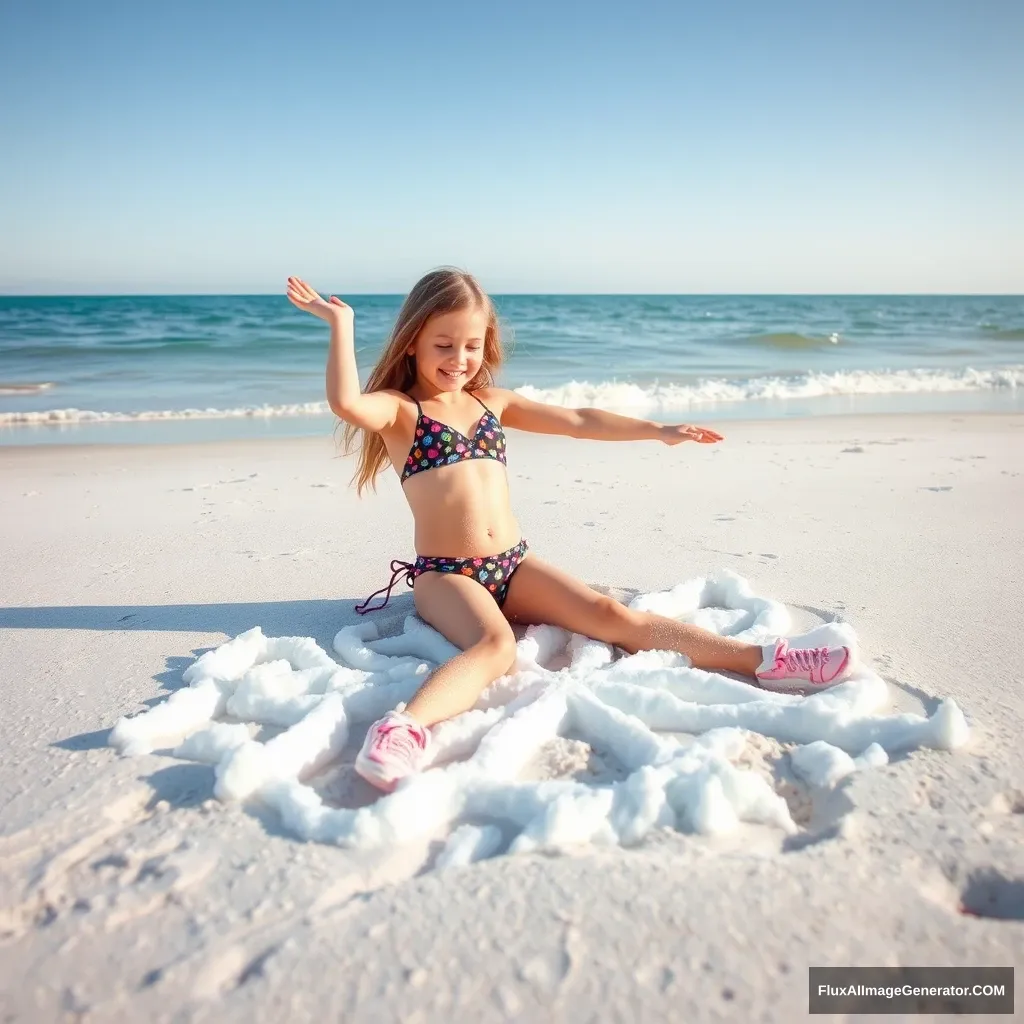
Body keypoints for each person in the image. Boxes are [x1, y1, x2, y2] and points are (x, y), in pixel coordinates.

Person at [286, 270, 852, 792]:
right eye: (443, 344)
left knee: (612, 616)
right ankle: (403, 729)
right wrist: (343, 325)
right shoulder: (401, 411)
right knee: (495, 647)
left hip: (513, 565)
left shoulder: (492, 403)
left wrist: (658, 429)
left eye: (472, 345)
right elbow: (345, 402)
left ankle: (764, 659)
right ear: (412, 340)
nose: (459, 358)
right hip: (445, 577)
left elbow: (579, 421)